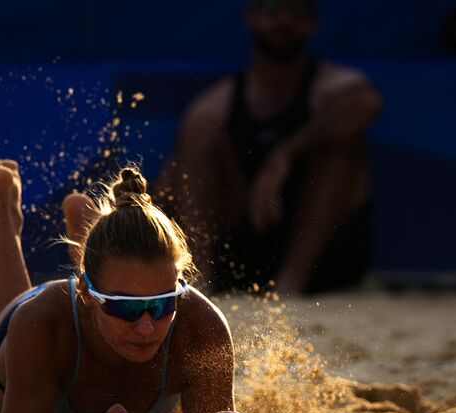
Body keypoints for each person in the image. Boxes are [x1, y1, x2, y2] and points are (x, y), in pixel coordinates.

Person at [0, 159, 253, 413]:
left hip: (98, 300)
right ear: (87, 294)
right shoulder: (41, 324)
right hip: (42, 325)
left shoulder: (201, 327)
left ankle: (89, 230)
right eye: (125, 307)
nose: (146, 327)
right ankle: (1, 208)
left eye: (161, 304)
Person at [156, 0, 383, 296]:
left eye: (297, 12)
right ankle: (200, 277)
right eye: (274, 10)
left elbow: (367, 105)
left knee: (341, 145)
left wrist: (286, 153)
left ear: (312, 25)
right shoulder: (216, 105)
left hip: (324, 266)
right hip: (241, 252)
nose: (283, 21)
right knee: (199, 133)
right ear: (252, 17)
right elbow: (168, 190)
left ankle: (291, 282)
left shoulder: (334, 86)